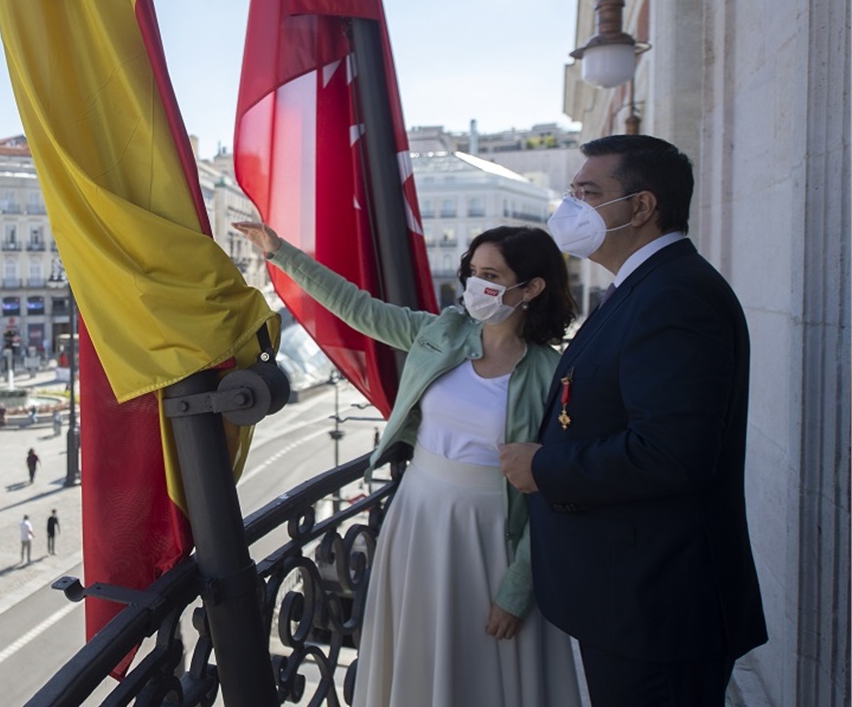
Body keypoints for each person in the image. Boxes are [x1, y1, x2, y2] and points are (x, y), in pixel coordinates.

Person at [233, 220, 582, 706]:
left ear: (533, 288)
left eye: (493, 276)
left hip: (493, 533)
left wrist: (518, 590)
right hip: (419, 516)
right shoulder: (442, 332)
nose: (476, 285)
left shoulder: (552, 373)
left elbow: (551, 495)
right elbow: (359, 308)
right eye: (473, 271)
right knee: (419, 654)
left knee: (489, 663)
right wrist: (281, 253)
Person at [498, 135, 767, 706]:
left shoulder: (674, 296)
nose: (569, 209)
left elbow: (671, 452)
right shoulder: (643, 287)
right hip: (632, 598)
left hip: (656, 605)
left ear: (642, 207)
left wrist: (544, 465)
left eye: (588, 193)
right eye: (571, 192)